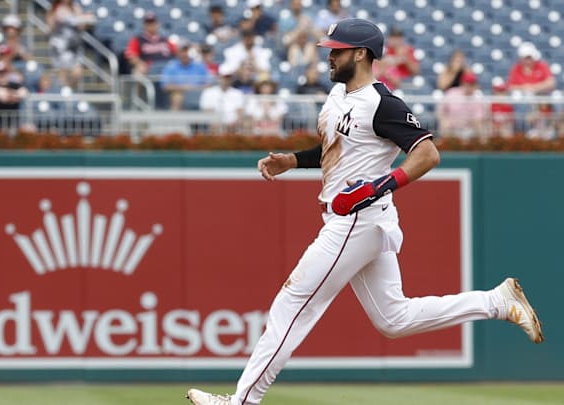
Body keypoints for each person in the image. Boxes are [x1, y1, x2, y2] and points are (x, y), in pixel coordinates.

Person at [186, 18, 544, 405]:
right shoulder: (337, 97)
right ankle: (496, 301)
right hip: (356, 217)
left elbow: (427, 153)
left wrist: (380, 186)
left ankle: (242, 401)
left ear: (360, 54)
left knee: (293, 302)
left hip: (359, 219)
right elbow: (334, 152)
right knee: (394, 319)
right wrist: (292, 159)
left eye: (337, 50)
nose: (329, 56)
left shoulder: (381, 103)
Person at [46, 0, 97, 87]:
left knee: (77, 73)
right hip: (60, 46)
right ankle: (63, 94)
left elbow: (81, 27)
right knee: (63, 73)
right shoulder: (55, 8)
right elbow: (50, 27)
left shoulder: (76, 7)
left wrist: (86, 20)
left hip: (75, 46)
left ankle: (71, 92)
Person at [436, 71, 489, 140]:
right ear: (462, 84)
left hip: (469, 131)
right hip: (451, 129)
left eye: (472, 84)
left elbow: (477, 121)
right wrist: (444, 123)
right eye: (467, 84)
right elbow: (441, 112)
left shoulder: (477, 99)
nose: (469, 87)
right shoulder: (452, 93)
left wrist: (481, 138)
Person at [160, 41, 211, 110]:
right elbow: (165, 86)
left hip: (198, 93)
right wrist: (184, 88)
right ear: (178, 53)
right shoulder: (171, 66)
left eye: (187, 51)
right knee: (177, 97)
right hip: (179, 93)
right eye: (182, 51)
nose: (185, 54)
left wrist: (194, 88)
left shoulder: (199, 66)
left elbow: (208, 84)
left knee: (210, 98)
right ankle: (174, 120)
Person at [199, 64, 245, 133]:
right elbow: (206, 110)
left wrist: (234, 123)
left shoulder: (238, 93)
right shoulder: (208, 92)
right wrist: (216, 123)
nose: (227, 79)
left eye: (229, 77)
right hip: (214, 125)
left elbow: (240, 112)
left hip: (233, 126)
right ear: (219, 77)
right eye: (224, 77)